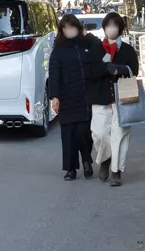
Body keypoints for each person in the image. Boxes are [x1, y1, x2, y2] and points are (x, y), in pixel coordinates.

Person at [84, 11, 139, 187]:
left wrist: (120, 69)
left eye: (114, 26)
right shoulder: (96, 48)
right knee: (99, 134)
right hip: (100, 98)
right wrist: (106, 68)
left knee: (120, 135)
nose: (111, 29)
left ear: (120, 28)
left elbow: (134, 70)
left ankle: (116, 171)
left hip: (122, 100)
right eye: (108, 26)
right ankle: (105, 159)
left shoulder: (128, 50)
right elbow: (89, 72)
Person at [46, 13, 95, 180]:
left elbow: (99, 57)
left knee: (83, 132)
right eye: (66, 28)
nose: (70, 30)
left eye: (72, 27)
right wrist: (54, 96)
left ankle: (87, 160)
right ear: (62, 30)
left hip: (84, 97)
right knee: (68, 135)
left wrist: (89, 36)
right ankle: (70, 169)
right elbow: (54, 74)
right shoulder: (58, 50)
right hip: (66, 98)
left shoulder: (86, 45)